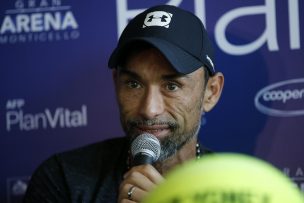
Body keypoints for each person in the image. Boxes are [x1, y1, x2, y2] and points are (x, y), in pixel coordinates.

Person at [23, 4, 224, 203]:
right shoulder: (62, 178)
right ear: (116, 84)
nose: (149, 109)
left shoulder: (241, 189)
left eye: (171, 86)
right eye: (133, 84)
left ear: (211, 92)